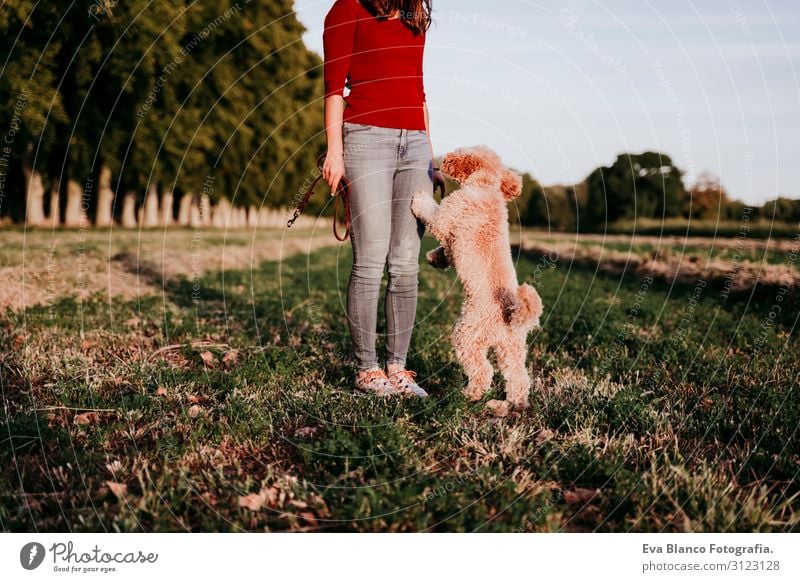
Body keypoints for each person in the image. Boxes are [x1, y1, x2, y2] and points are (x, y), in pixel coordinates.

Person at [321, 0, 443, 397]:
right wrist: (335, 152)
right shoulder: (347, 9)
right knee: (371, 258)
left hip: (416, 146)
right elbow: (334, 88)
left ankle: (399, 367)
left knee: (406, 263)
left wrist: (432, 155)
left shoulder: (415, 18)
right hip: (365, 138)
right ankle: (367, 369)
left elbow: (420, 90)